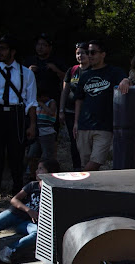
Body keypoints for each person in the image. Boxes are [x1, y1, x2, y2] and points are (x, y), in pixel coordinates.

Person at [0, 35, 38, 209]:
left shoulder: (26, 73)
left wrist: (32, 124)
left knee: (17, 156)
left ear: (12, 51)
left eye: (3, 48)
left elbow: (31, 101)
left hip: (16, 115)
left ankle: (18, 195)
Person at [0, 158, 60, 264]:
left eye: (41, 169)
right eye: (37, 168)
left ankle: (8, 250)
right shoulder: (32, 185)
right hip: (14, 214)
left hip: (27, 223)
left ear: (50, 172)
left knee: (37, 233)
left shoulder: (54, 190)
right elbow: (14, 200)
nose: (36, 171)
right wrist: (29, 210)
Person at [73, 39, 127, 171]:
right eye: (88, 52)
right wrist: (76, 122)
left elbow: (126, 80)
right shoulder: (85, 75)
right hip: (84, 125)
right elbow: (79, 99)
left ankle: (77, 180)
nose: (89, 55)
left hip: (104, 126)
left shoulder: (114, 72)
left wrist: (126, 81)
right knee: (85, 163)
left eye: (93, 52)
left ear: (103, 54)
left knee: (95, 161)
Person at [59, 42, 89, 171]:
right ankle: (76, 167)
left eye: (83, 53)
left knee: (86, 140)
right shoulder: (72, 70)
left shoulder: (92, 70)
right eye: (78, 53)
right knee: (74, 140)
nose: (80, 55)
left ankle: (87, 166)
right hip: (70, 111)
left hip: (86, 113)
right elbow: (65, 91)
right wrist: (61, 110)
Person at [25, 33, 67, 103]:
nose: (40, 47)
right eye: (38, 44)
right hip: (33, 98)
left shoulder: (57, 61)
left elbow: (67, 79)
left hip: (52, 99)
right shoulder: (30, 61)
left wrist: (56, 70)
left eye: (43, 45)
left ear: (50, 47)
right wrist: (29, 72)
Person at [27, 84, 57, 161]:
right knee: (32, 155)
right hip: (38, 133)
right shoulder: (36, 104)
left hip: (47, 133)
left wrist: (42, 104)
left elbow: (51, 112)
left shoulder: (51, 102)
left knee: (47, 155)